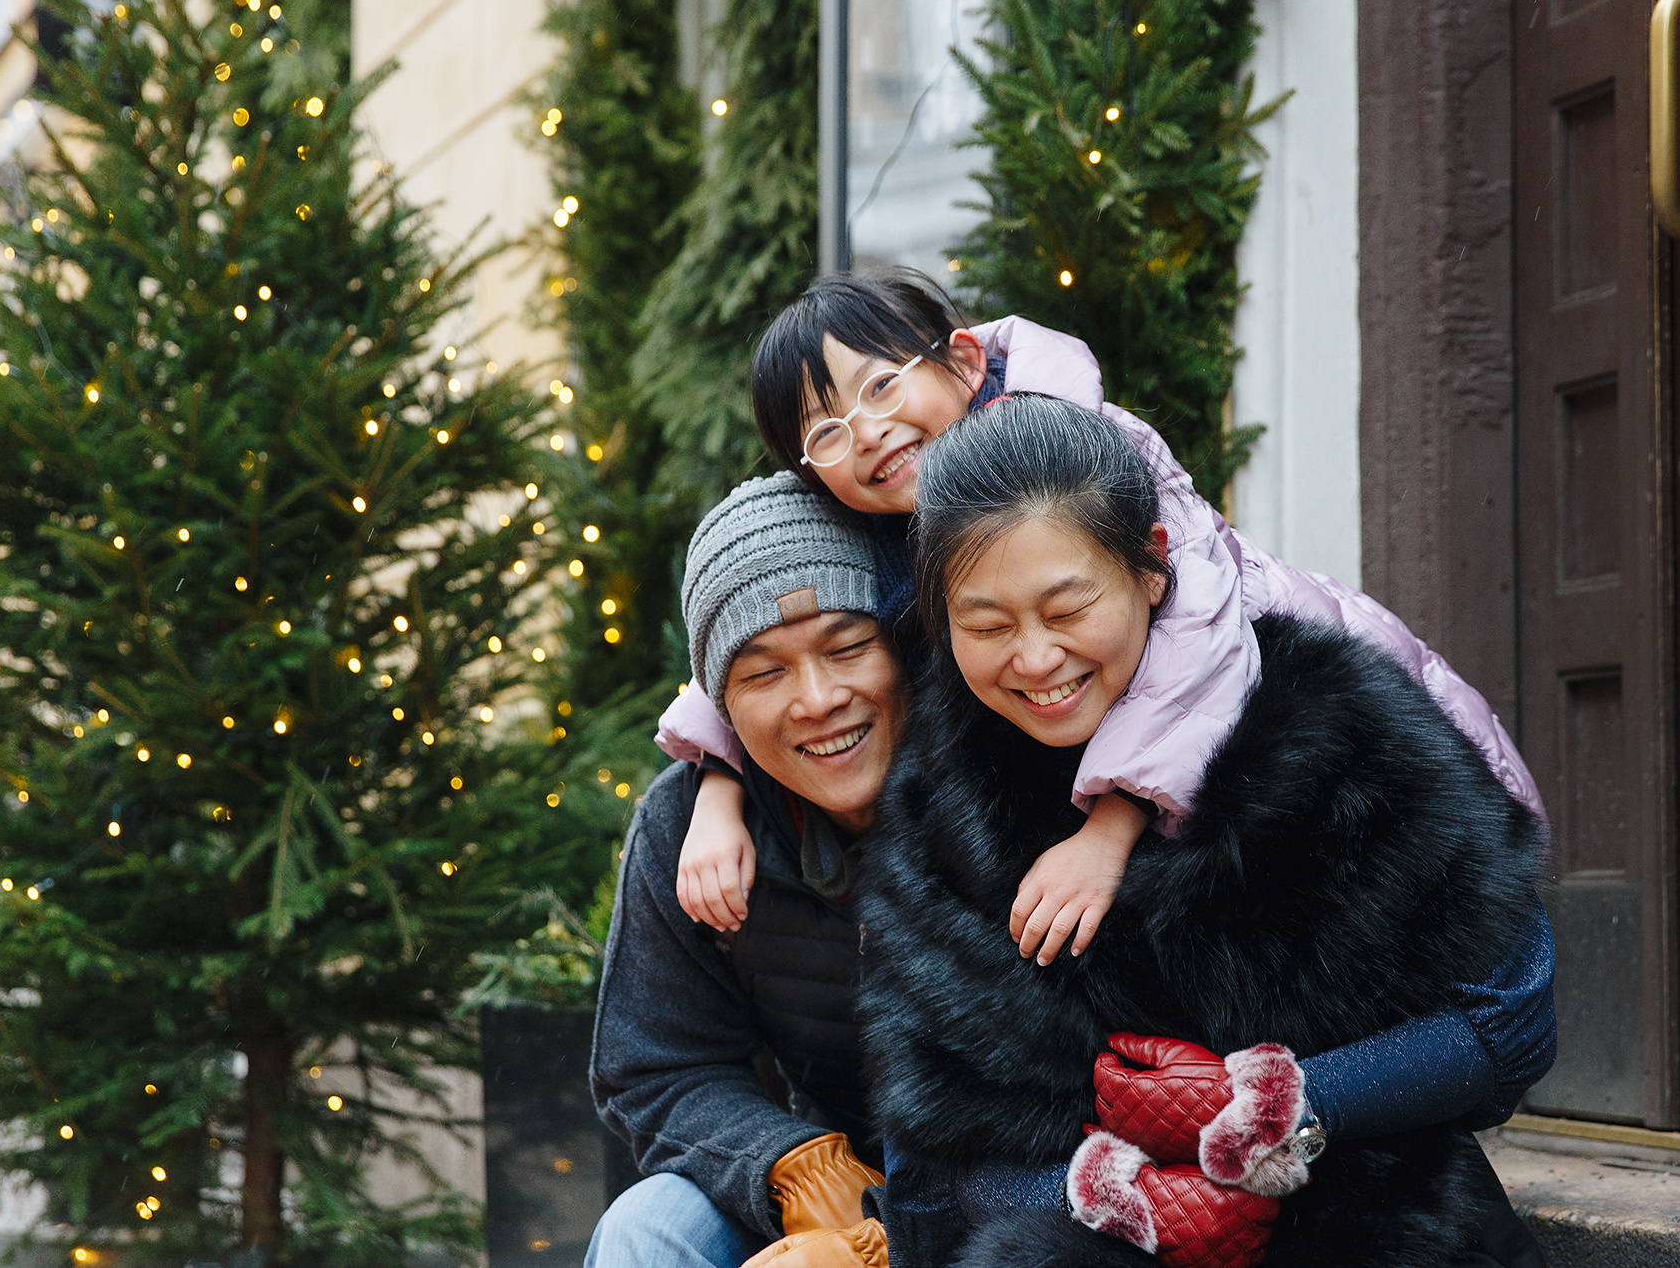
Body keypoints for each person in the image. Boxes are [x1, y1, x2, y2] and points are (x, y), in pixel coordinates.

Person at [661, 274, 1544, 973]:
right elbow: (748, 631)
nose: (869, 432)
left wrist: (1110, 827)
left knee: (1448, 901)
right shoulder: (892, 509)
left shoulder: (1084, 454)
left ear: (963, 362)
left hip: (1311, 693)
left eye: (884, 384)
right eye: (825, 432)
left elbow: (1198, 634)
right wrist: (718, 788)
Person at [855, 396, 1552, 1268]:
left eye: (1067, 608)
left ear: (1151, 567)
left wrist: (1277, 1103)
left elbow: (1509, 1021)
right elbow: (941, 1153)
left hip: (1368, 1207)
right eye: (987, 625)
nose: (1034, 659)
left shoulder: (1326, 716)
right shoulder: (945, 801)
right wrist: (1122, 1195)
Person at [586, 474, 897, 1268]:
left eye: (848, 645)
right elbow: (659, 1063)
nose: (820, 698)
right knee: (646, 1228)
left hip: (1014, 1187)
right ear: (720, 703)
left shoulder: (997, 787)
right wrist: (795, 1165)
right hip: (818, 1169)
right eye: (764, 672)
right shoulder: (682, 822)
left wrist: (889, 1235)